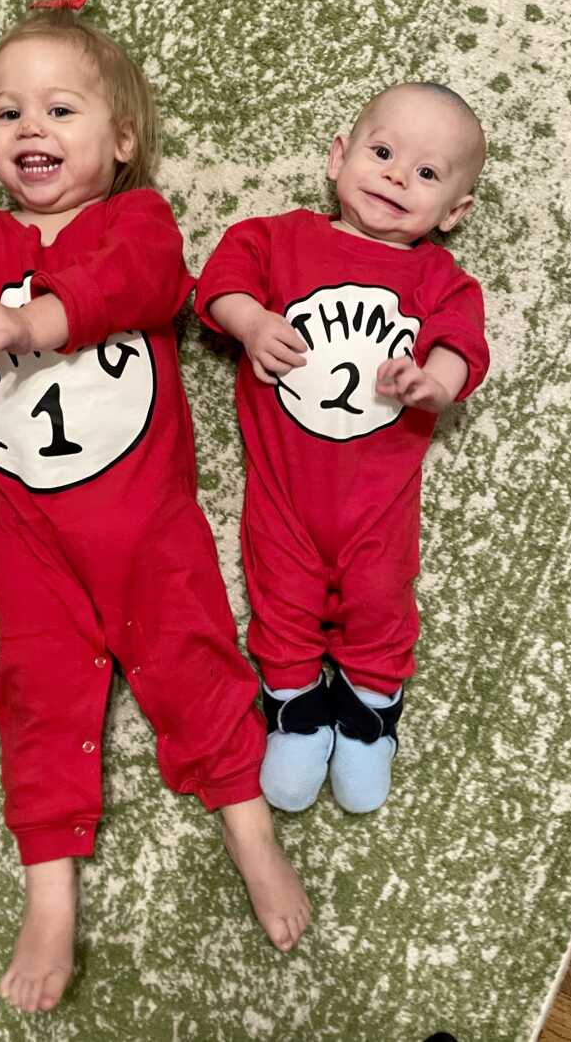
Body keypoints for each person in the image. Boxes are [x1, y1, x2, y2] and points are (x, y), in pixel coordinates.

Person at [0, 0, 309, 1015]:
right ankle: (48, 887)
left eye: (60, 108)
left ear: (122, 140)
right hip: (29, 542)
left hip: (147, 521)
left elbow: (142, 284)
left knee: (192, 655)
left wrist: (35, 319)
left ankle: (247, 824)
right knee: (39, 696)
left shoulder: (136, 220)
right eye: (8, 111)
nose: (29, 127)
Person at [195, 82, 489, 817]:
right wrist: (253, 322)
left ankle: (368, 711)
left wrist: (432, 382)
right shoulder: (278, 238)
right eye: (383, 152)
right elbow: (219, 284)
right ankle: (294, 702)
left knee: (380, 598)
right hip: (285, 490)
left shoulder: (439, 279)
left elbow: (463, 346)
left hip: (378, 498)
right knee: (280, 594)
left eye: (427, 174)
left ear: (454, 212)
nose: (395, 176)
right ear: (339, 157)